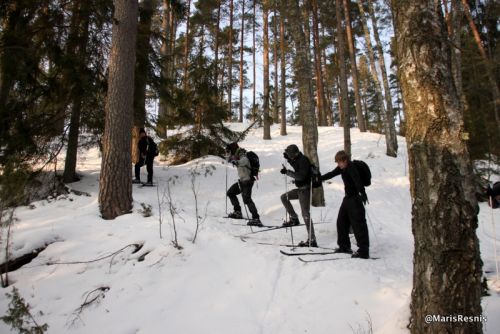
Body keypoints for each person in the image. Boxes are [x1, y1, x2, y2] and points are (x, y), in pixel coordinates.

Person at [321, 150, 369, 259]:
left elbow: (358, 181)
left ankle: (364, 250)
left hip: (355, 199)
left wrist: (362, 193)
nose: (338, 164)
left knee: (358, 224)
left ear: (345, 160)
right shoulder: (342, 168)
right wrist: (319, 178)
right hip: (348, 198)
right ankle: (344, 246)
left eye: (339, 162)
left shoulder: (351, 167)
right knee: (341, 221)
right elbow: (331, 174)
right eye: (337, 162)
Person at [280, 144, 317, 247]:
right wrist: (289, 160)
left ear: (294, 153)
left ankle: (312, 240)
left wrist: (287, 172)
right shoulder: (298, 159)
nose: (290, 156)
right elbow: (296, 166)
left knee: (305, 214)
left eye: (290, 154)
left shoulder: (303, 160)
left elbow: (300, 176)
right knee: (284, 197)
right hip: (300, 190)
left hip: (305, 191)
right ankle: (294, 218)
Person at [226, 142, 262, 227]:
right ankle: (237, 212)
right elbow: (229, 159)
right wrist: (230, 158)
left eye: (229, 150)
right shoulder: (237, 154)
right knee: (230, 193)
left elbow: (244, 161)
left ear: (233, 149)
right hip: (242, 181)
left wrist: (236, 162)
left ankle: (256, 218)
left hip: (247, 180)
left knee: (247, 199)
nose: (228, 152)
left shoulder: (242, 153)